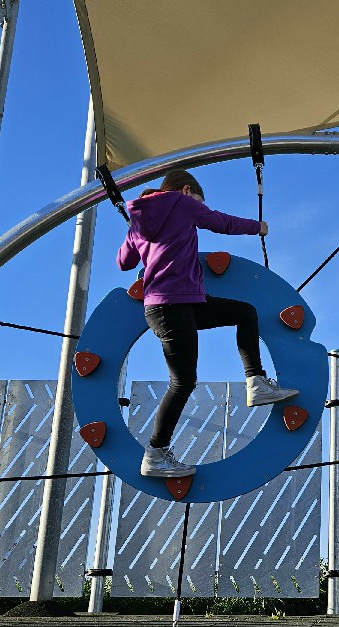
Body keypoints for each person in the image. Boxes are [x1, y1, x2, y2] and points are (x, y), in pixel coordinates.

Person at [118, 169, 299, 478]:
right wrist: (259, 227)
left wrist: (140, 237)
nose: (199, 209)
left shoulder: (140, 218)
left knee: (244, 312)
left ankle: (255, 383)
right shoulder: (181, 202)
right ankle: (156, 455)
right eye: (199, 202)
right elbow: (219, 222)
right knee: (182, 382)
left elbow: (124, 262)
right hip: (173, 305)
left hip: (176, 305)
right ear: (187, 190)